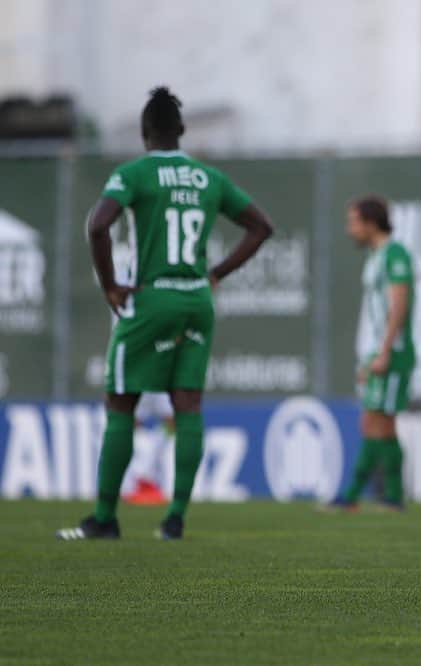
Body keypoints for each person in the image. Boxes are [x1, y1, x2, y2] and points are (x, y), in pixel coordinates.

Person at [57, 86, 273, 541]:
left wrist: (111, 283)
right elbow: (261, 227)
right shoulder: (208, 178)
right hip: (197, 300)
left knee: (121, 401)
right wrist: (217, 272)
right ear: (182, 132)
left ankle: (104, 518)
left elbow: (97, 224)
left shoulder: (134, 174)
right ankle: (174, 518)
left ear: (143, 133)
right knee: (188, 404)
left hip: (152, 298)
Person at [331, 196, 415, 511]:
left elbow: (399, 304)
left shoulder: (394, 254)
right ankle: (390, 495)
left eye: (353, 222)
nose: (349, 229)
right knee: (376, 422)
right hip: (376, 351)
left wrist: (383, 352)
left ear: (370, 222)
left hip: (391, 351)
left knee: (378, 421)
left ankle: (357, 494)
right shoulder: (376, 255)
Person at [122, 392, 174, 505]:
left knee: (163, 447)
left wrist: (161, 436)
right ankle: (138, 486)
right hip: (142, 387)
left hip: (161, 388)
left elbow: (171, 421)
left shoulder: (163, 393)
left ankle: (150, 486)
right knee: (142, 446)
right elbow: (133, 421)